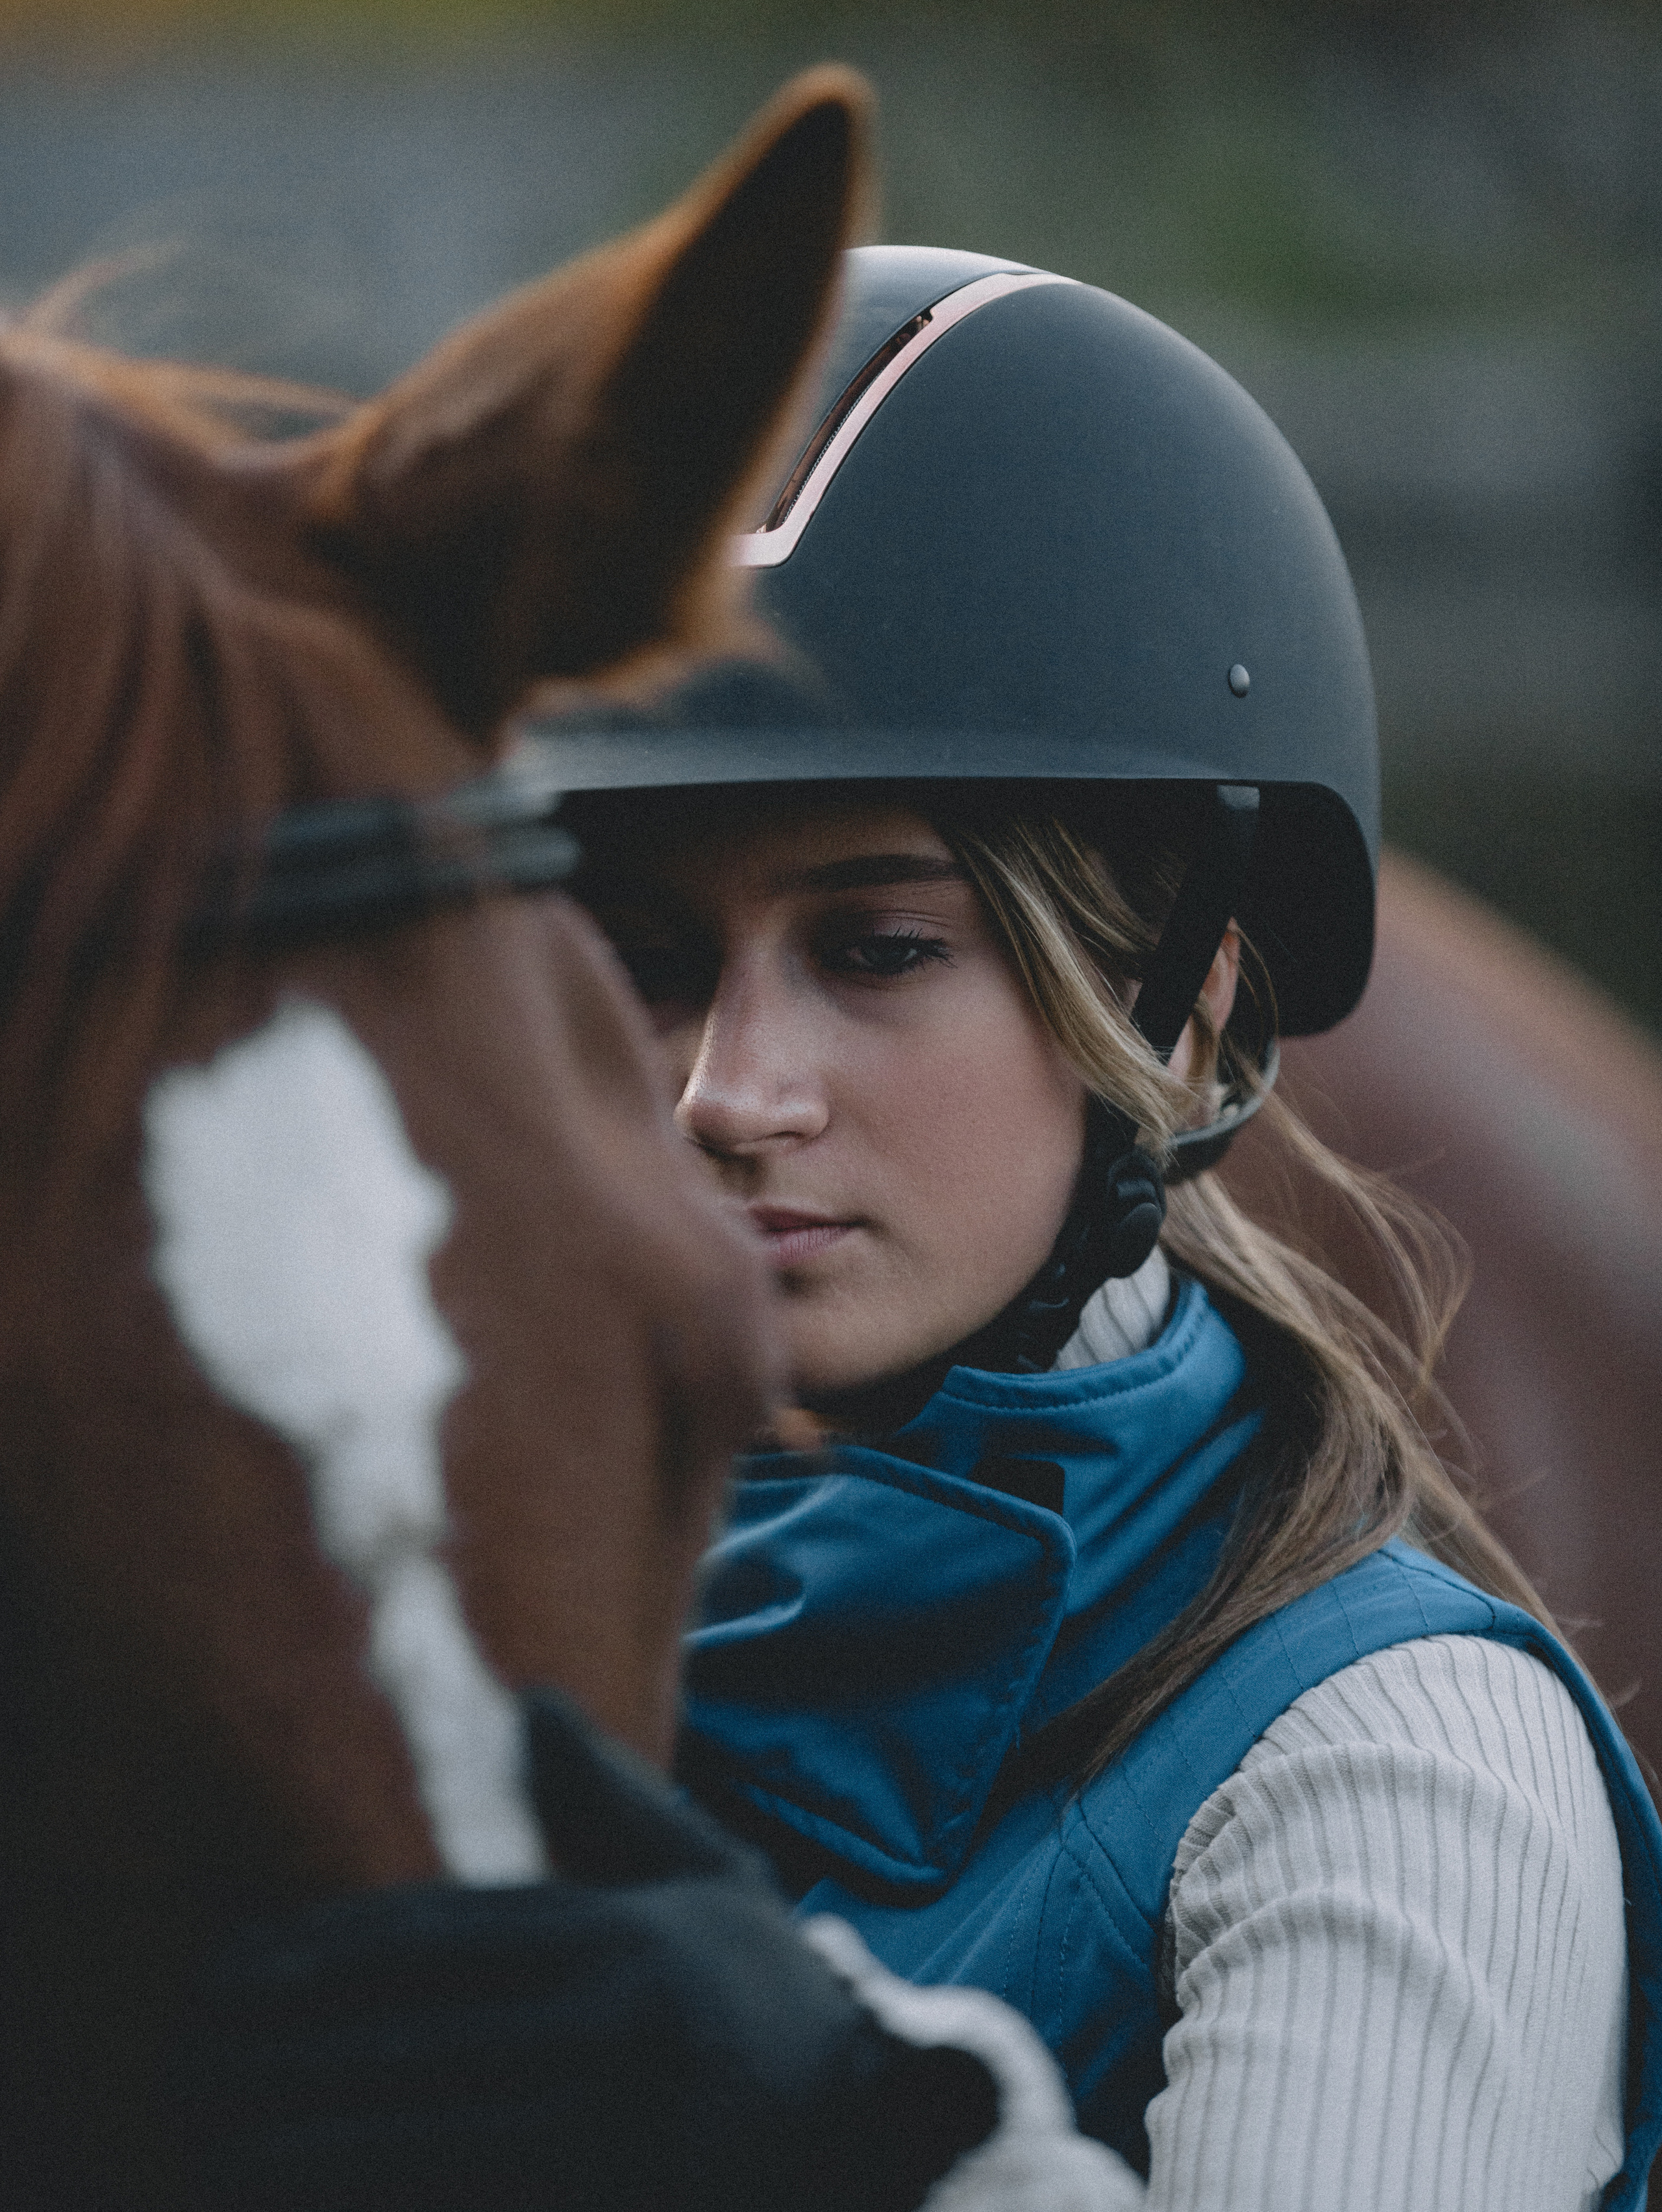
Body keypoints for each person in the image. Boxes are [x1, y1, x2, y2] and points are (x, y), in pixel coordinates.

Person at [545, 246, 1662, 2210]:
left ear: (1191, 1003)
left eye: (879, 948)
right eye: (647, 958)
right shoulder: (455, 1666)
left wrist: (834, 2118)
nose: (730, 1091)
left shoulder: (1395, 1772)